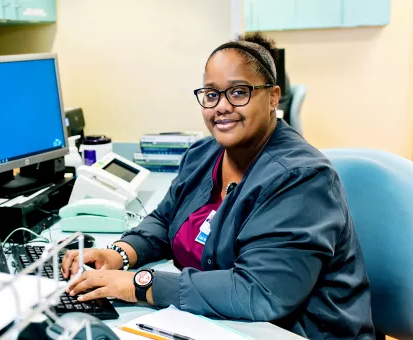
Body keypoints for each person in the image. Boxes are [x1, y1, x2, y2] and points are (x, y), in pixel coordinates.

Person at [61, 32, 374, 340]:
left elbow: (259, 292)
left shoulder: (301, 178)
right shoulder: (203, 153)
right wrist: (120, 253)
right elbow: (165, 219)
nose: (221, 106)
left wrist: (138, 284)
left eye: (238, 92)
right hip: (214, 322)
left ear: (273, 97)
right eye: (211, 94)